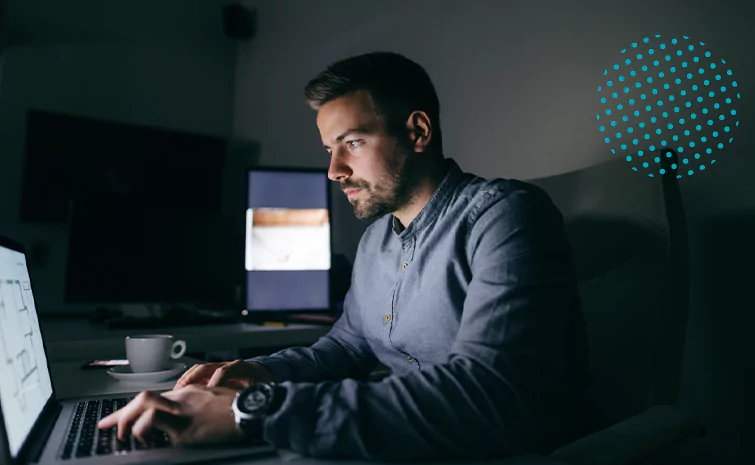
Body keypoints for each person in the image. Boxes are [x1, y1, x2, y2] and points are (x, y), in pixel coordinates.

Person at [98, 51, 594, 460]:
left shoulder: (506, 215)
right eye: (328, 150)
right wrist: (263, 373)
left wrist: (255, 409)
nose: (334, 170)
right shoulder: (377, 238)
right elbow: (347, 348)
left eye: (351, 143)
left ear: (418, 132)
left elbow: (488, 397)